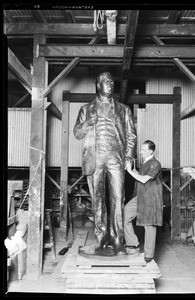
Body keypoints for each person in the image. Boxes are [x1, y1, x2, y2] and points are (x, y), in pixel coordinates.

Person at [73, 72, 137, 255]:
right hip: (95, 157)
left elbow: (131, 135)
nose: (110, 84)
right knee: (98, 200)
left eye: (111, 81)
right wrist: (87, 123)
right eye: (106, 82)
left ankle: (118, 241)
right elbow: (77, 133)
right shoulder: (86, 109)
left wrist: (129, 157)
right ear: (98, 85)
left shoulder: (123, 109)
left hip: (116, 157)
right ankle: (100, 239)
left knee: (118, 198)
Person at [124, 140, 163, 262]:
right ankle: (133, 243)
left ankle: (149, 256)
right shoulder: (146, 163)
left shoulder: (155, 163)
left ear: (151, 151)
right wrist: (133, 170)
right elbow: (140, 176)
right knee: (125, 215)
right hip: (140, 197)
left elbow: (144, 180)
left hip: (150, 199)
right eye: (141, 149)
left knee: (149, 225)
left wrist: (130, 171)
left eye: (143, 149)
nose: (141, 151)